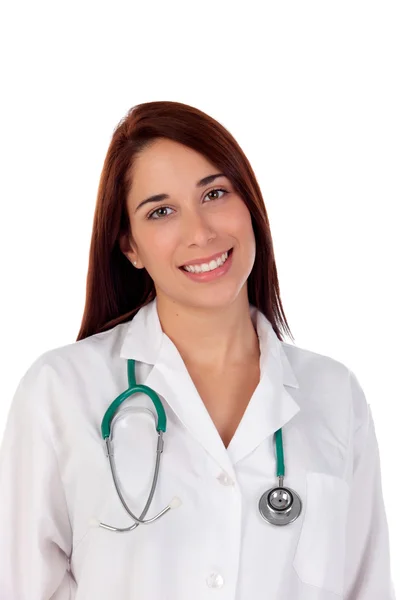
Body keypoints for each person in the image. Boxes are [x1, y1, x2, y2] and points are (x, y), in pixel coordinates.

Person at [0, 100, 396, 600]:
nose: (201, 232)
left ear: (249, 204)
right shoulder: (60, 390)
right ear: (131, 247)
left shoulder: (335, 395)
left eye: (214, 193)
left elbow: (367, 586)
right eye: (161, 211)